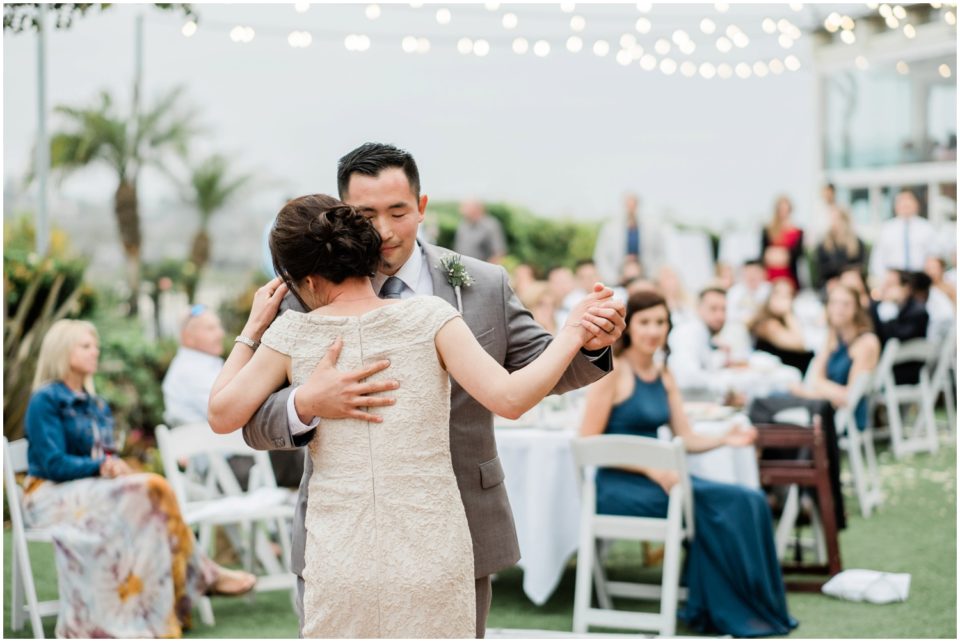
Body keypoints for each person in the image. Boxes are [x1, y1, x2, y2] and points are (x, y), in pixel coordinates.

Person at [237, 143, 625, 638]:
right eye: (366, 214)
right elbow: (249, 416)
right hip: (339, 534)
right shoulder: (305, 293)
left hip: (455, 524)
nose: (384, 229)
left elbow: (533, 367)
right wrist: (303, 403)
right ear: (343, 217)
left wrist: (589, 344)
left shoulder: (482, 283)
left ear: (421, 207)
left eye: (398, 211)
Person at [579, 290, 796, 637]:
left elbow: (688, 437)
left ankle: (750, 605)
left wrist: (726, 436)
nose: (653, 330)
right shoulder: (612, 373)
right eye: (645, 322)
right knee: (726, 504)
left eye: (660, 322)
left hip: (664, 480)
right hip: (621, 487)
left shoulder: (664, 374)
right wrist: (651, 468)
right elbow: (587, 443)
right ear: (629, 327)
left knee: (751, 500)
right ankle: (720, 609)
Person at [22, 319, 255, 639]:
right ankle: (203, 574)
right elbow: (51, 463)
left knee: (151, 493)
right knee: (154, 487)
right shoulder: (45, 400)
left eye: (96, 346)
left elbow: (105, 453)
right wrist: (101, 467)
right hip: (49, 495)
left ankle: (156, 613)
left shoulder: (96, 404)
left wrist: (112, 466)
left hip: (92, 490)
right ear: (62, 351)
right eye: (86, 346)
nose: (95, 352)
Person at [163, 304, 302, 488]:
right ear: (188, 338)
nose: (220, 333)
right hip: (229, 469)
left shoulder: (198, 366)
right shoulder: (190, 372)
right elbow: (237, 410)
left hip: (233, 464)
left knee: (300, 443)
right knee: (307, 450)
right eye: (210, 329)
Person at [790, 285, 881, 431]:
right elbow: (816, 377)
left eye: (845, 303)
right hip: (825, 406)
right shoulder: (833, 338)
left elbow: (849, 395)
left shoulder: (866, 342)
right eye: (834, 303)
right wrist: (820, 388)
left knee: (765, 406)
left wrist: (808, 391)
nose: (839, 309)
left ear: (857, 308)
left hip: (846, 417)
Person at [667, 286, 733, 401]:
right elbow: (687, 377)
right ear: (698, 308)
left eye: (723, 309)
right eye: (713, 309)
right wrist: (727, 389)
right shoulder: (688, 332)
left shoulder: (702, 334)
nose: (719, 316)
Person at [871, 270, 931, 384]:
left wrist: (889, 311)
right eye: (884, 284)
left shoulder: (918, 312)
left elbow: (896, 339)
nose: (884, 288)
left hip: (903, 371)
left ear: (906, 288)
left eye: (890, 285)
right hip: (878, 364)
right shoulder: (876, 307)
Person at [868, 188, 937, 282]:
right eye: (901, 201)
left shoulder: (927, 228)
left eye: (908, 200)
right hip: (894, 282)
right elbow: (877, 260)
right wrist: (884, 279)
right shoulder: (886, 229)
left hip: (920, 280)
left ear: (917, 204)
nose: (905, 204)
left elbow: (934, 256)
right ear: (895, 206)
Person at [593, 192, 663, 284]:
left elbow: (660, 254)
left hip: (645, 275)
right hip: (617, 276)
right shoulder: (610, 228)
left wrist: (651, 276)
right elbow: (601, 256)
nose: (631, 209)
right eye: (628, 205)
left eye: (633, 205)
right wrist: (613, 278)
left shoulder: (652, 228)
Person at [749, 278, 815, 374]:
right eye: (778, 294)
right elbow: (799, 343)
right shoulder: (769, 324)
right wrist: (788, 313)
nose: (783, 300)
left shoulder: (783, 320)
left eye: (787, 296)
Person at [815, 207, 866, 290]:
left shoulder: (857, 243)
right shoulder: (823, 244)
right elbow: (821, 270)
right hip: (830, 282)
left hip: (850, 281)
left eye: (837, 219)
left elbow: (860, 267)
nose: (834, 223)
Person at [761, 195, 805, 289]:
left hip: (789, 276)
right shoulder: (767, 230)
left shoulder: (797, 232)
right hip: (770, 275)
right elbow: (764, 253)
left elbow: (796, 255)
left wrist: (779, 254)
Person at [453, 198, 507, 263]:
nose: (461, 210)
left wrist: (486, 270)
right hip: (462, 269)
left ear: (476, 209)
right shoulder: (463, 224)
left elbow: (499, 253)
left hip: (481, 271)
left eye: (465, 207)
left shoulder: (491, 226)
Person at [726, 259, 771, 327]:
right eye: (748, 272)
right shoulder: (734, 291)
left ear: (763, 273)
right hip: (740, 326)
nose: (752, 276)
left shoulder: (770, 290)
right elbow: (729, 314)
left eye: (755, 272)